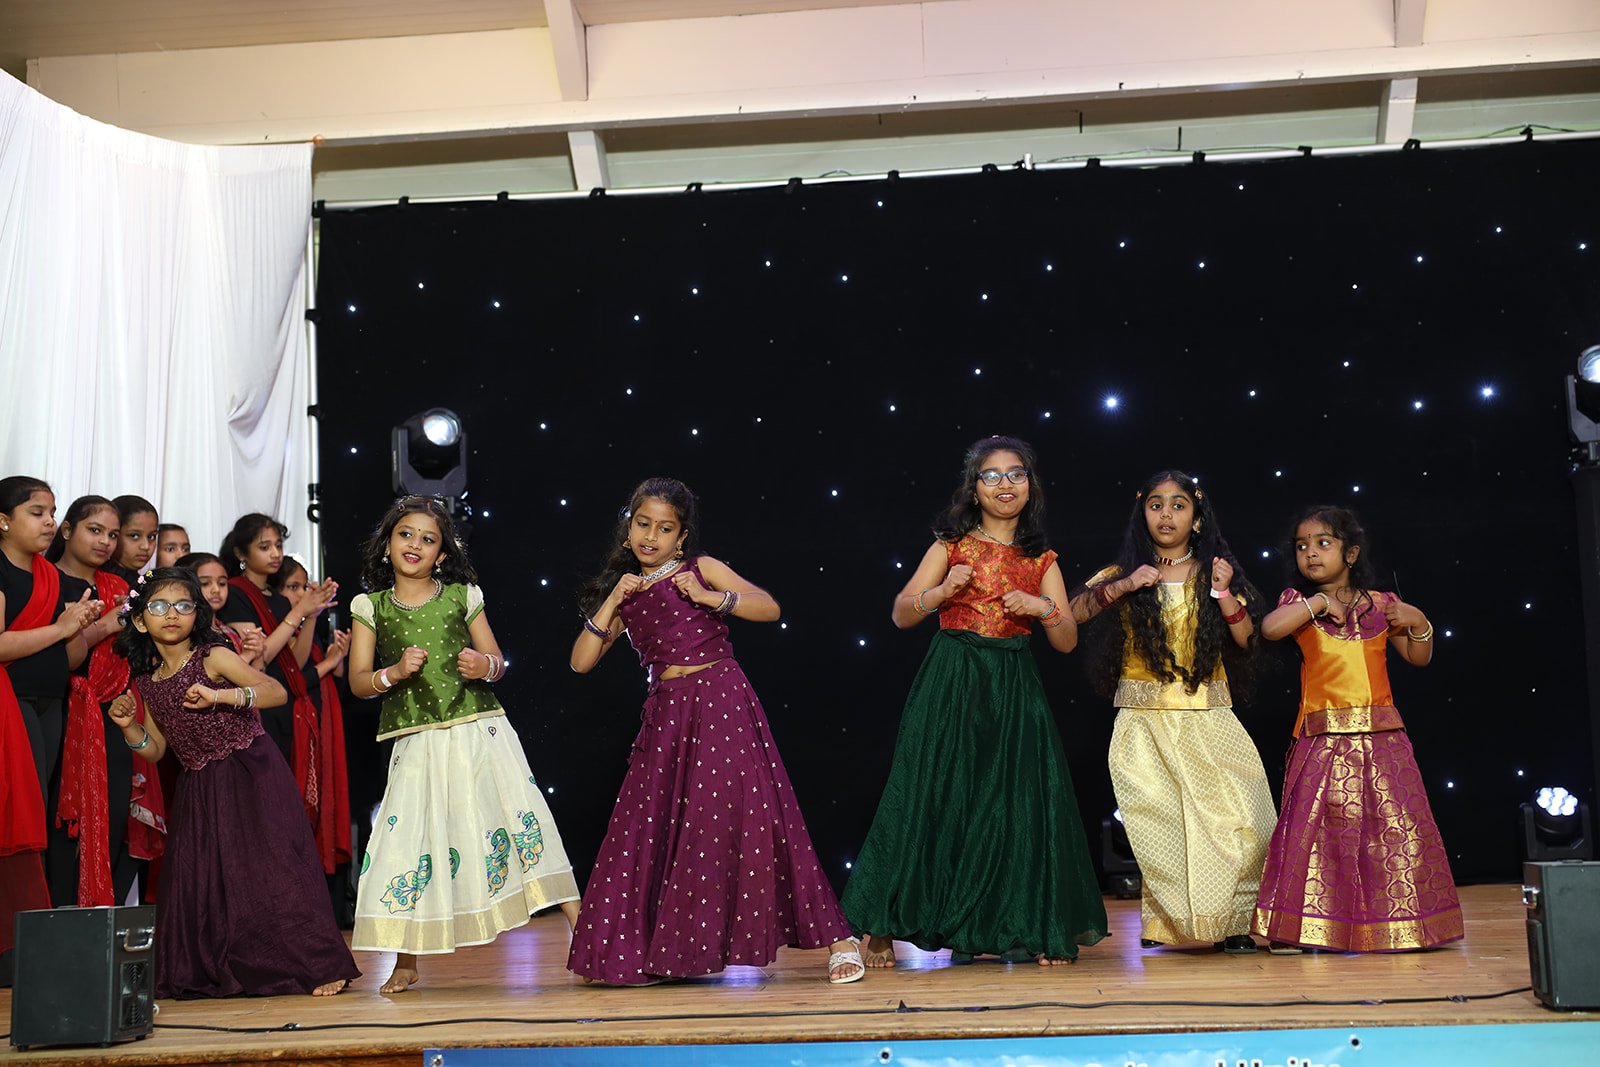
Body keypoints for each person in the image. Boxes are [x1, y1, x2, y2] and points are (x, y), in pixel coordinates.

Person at [568, 477, 864, 986]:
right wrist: (613, 597)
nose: (651, 537)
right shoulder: (627, 594)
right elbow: (580, 662)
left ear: (681, 536)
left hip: (720, 701)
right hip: (668, 715)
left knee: (757, 815)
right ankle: (667, 952)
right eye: (643, 524)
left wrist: (711, 598)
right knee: (657, 825)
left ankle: (839, 939)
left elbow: (768, 607)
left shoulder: (699, 569)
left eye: (665, 529)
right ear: (628, 528)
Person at [841, 436, 1107, 968]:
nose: (1005, 484)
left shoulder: (1042, 559)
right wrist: (941, 593)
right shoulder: (950, 546)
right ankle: (881, 923)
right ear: (974, 487)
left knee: (1014, 801)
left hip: (1013, 683)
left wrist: (1042, 608)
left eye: (1016, 474)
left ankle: (1021, 922)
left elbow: (1066, 641)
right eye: (992, 475)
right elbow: (901, 614)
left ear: (1030, 486)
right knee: (929, 792)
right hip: (953, 677)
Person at [347, 496, 580, 994]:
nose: (415, 544)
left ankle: (581, 929)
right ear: (387, 545)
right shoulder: (371, 607)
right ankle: (406, 959)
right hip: (418, 738)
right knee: (413, 837)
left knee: (520, 815)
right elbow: (359, 681)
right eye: (406, 534)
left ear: (441, 555)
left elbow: (497, 660)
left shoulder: (462, 596)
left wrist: (484, 665)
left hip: (479, 729)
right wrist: (394, 673)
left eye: (428, 539)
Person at [111, 566, 358, 998]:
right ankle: (227, 965)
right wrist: (129, 727)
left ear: (197, 613)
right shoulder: (147, 683)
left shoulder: (213, 657)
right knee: (209, 880)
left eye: (183, 605)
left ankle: (318, 964)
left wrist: (219, 696)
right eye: (160, 606)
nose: (172, 614)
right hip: (199, 787)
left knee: (273, 869)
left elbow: (275, 691)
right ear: (140, 620)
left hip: (249, 770)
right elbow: (157, 750)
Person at [1070, 470, 1276, 954]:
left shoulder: (1216, 573)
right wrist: (1125, 585)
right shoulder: (1123, 573)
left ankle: (1234, 921)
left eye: (1178, 505)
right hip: (1144, 720)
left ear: (1197, 519)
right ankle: (1169, 924)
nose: (1166, 514)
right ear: (1143, 515)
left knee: (1244, 819)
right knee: (1164, 826)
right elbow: (1073, 613)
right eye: (1156, 505)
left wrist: (1223, 593)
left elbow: (1246, 638)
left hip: (1208, 715)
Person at [1252, 506, 1462, 953]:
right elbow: (1270, 629)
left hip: (1384, 738)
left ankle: (1403, 925)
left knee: (1396, 830)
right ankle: (1299, 929)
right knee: (1317, 835)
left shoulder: (1382, 605)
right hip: (1323, 739)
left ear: (1350, 553)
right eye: (1302, 546)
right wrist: (1317, 604)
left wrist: (1420, 621)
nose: (1311, 553)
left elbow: (1418, 657)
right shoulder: (1299, 603)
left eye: (1323, 543)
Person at [45, 495, 164, 907]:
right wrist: (104, 625)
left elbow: (136, 657)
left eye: (112, 535)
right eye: (96, 531)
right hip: (63, 711)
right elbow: (60, 658)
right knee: (61, 822)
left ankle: (99, 921)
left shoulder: (119, 589)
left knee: (112, 818)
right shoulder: (47, 580)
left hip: (113, 714)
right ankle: (59, 924)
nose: (105, 542)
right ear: (67, 530)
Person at [0, 476, 92, 982]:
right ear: (3, 521)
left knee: (33, 816)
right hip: (8, 704)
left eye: (52, 512)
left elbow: (67, 655)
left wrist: (82, 628)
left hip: (50, 702)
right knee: (11, 818)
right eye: (37, 512)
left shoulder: (51, 576)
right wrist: (60, 627)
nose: (50, 522)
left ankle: (25, 944)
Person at [269, 556, 352, 880]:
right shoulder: (278, 630)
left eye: (305, 587)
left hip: (320, 727)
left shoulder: (310, 627)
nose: (303, 594)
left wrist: (338, 661)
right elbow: (295, 678)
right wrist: (328, 663)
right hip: (289, 729)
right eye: (293, 587)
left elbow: (327, 685)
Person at [106, 495, 159, 585]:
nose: (146, 546)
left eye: (151, 537)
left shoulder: (142, 583)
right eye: (134, 536)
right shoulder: (99, 583)